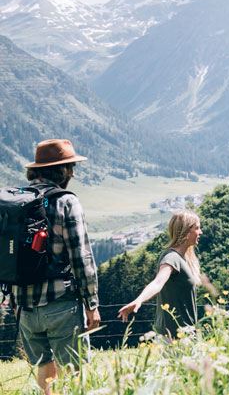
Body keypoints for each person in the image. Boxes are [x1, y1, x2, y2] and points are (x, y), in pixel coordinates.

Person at [15, 139, 100, 395]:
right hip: (60, 304)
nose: (73, 173)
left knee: (44, 372)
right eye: (70, 167)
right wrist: (91, 304)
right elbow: (81, 257)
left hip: (25, 307)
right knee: (73, 374)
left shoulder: (16, 200)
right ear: (60, 170)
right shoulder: (66, 202)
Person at [117, 210, 217, 338]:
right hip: (174, 336)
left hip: (185, 333)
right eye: (197, 228)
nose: (201, 232)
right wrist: (139, 300)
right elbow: (157, 283)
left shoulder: (184, 258)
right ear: (186, 231)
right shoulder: (171, 257)